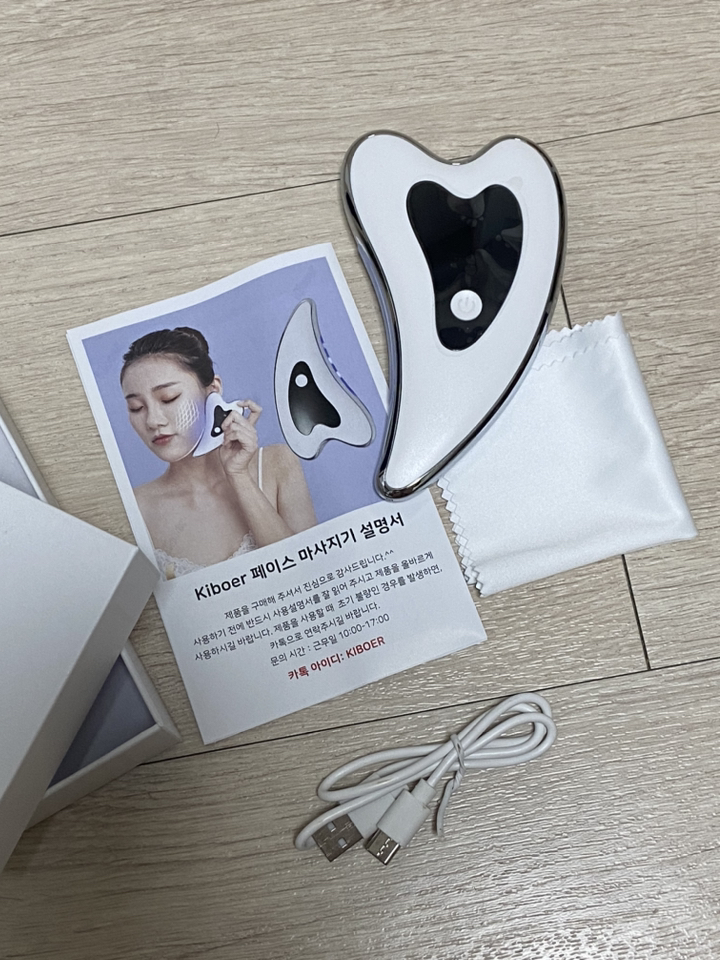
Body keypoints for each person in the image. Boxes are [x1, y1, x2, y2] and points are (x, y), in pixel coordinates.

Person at [120, 326, 317, 578]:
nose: (152, 421)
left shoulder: (277, 463)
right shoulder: (138, 507)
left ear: (213, 389)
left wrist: (238, 475)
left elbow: (309, 575)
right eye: (136, 407)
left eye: (169, 398)